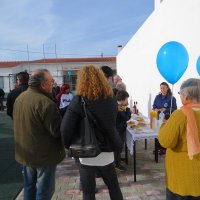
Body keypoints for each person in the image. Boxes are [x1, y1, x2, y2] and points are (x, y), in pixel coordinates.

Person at [61, 65, 123, 200]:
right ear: (101, 78)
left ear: (81, 81)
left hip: (86, 150)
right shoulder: (111, 98)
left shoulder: (78, 100)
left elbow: (65, 129)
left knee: (88, 192)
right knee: (113, 187)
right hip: (107, 150)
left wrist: (68, 145)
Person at [13, 69, 65, 200]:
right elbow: (57, 131)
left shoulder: (20, 98)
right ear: (43, 84)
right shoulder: (45, 103)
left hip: (25, 153)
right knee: (44, 192)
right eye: (52, 81)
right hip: (43, 156)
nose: (53, 84)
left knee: (29, 187)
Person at [158, 78, 200, 199]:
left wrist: (164, 125)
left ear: (186, 96)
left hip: (182, 179)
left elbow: (165, 141)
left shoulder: (180, 114)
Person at [153, 82, 177, 155]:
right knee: (157, 133)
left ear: (167, 88)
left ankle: (164, 149)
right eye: (161, 88)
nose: (162, 89)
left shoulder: (172, 98)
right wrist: (155, 109)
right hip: (157, 118)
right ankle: (158, 148)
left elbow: (174, 109)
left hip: (166, 119)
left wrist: (165, 109)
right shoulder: (157, 97)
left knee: (165, 133)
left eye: (164, 88)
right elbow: (154, 106)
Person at [115, 90, 131, 171]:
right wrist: (127, 110)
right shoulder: (117, 108)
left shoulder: (121, 107)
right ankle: (116, 164)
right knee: (118, 146)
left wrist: (126, 110)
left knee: (120, 146)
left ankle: (118, 158)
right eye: (126, 99)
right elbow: (126, 117)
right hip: (118, 130)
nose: (127, 101)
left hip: (120, 129)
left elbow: (127, 116)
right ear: (122, 100)